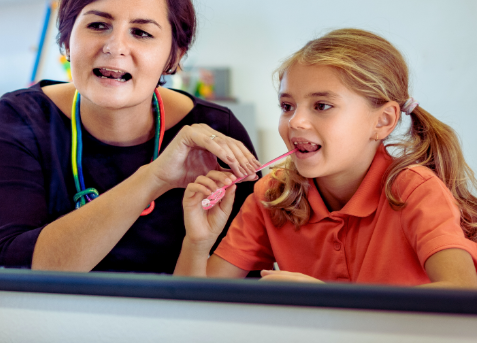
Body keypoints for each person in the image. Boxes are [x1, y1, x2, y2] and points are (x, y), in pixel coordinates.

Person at [0, 0, 261, 272]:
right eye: (98, 25)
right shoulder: (24, 117)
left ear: (174, 56)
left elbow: (244, 275)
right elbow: (12, 270)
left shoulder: (213, 129)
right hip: (55, 321)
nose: (114, 47)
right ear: (66, 40)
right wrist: (153, 179)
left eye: (141, 33)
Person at [177, 29, 477, 287]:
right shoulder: (271, 196)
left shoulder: (414, 190)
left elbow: (461, 291)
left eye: (321, 105)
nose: (295, 122)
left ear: (383, 121)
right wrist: (198, 242)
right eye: (287, 106)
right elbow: (189, 311)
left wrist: (331, 301)